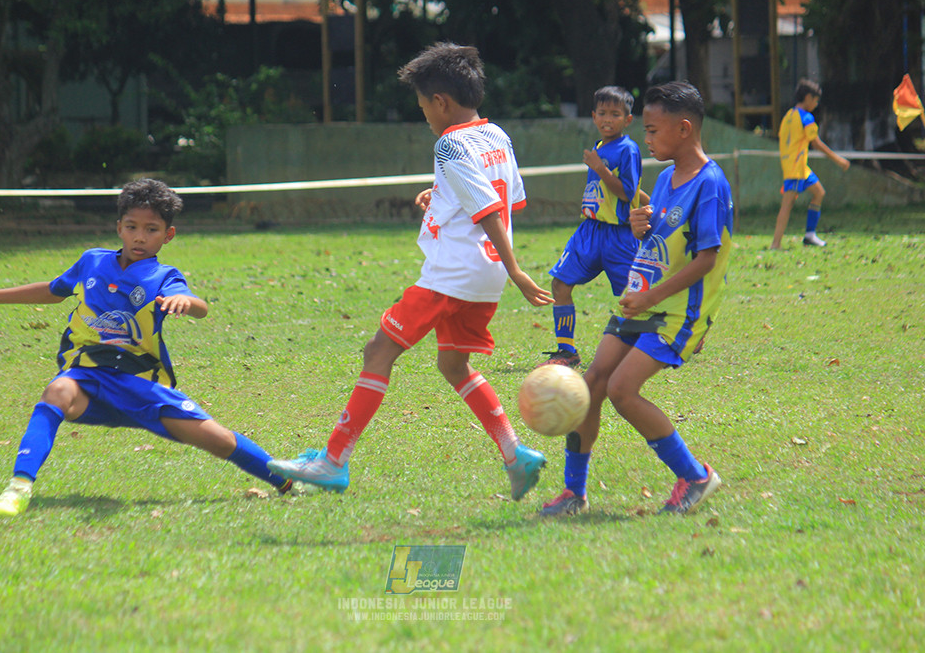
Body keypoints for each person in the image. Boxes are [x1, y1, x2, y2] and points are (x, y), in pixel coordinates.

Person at [268, 42, 554, 499]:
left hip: (452, 274)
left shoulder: (449, 144)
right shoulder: (496, 135)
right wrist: (441, 195)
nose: (425, 117)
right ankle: (515, 455)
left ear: (440, 102)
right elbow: (508, 199)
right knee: (453, 364)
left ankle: (333, 461)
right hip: (485, 276)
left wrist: (519, 271)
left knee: (377, 352)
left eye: (423, 108)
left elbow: (485, 209)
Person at [0, 178, 294, 517]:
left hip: (140, 385)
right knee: (57, 391)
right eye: (132, 227)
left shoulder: (164, 276)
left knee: (219, 440)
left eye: (151, 229)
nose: (139, 237)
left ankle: (289, 480)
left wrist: (185, 302)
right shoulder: (92, 262)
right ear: (119, 227)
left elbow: (199, 306)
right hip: (88, 377)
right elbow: (54, 290)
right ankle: (18, 488)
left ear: (168, 235)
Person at [541, 82, 732, 517]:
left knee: (622, 390)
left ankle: (696, 476)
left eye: (652, 130)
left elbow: (707, 259)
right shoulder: (664, 178)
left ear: (684, 129)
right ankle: (573, 492)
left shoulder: (710, 184)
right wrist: (641, 224)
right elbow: (658, 236)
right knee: (592, 385)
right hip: (641, 301)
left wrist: (654, 299)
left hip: (677, 310)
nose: (646, 139)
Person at [541, 86, 645, 369]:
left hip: (619, 236)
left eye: (615, 114)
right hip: (589, 231)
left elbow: (627, 192)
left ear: (628, 119)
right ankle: (567, 351)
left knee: (635, 297)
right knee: (560, 283)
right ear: (593, 116)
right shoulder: (599, 147)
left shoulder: (628, 149)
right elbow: (633, 192)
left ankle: (677, 332)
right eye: (602, 113)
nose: (607, 119)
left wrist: (600, 168)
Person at [771, 78, 850, 249]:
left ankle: (810, 235)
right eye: (815, 100)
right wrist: (838, 160)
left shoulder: (788, 115)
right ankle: (775, 244)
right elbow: (816, 143)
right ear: (808, 97)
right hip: (796, 169)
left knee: (819, 193)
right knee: (787, 205)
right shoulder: (806, 117)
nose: (816, 104)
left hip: (798, 167)